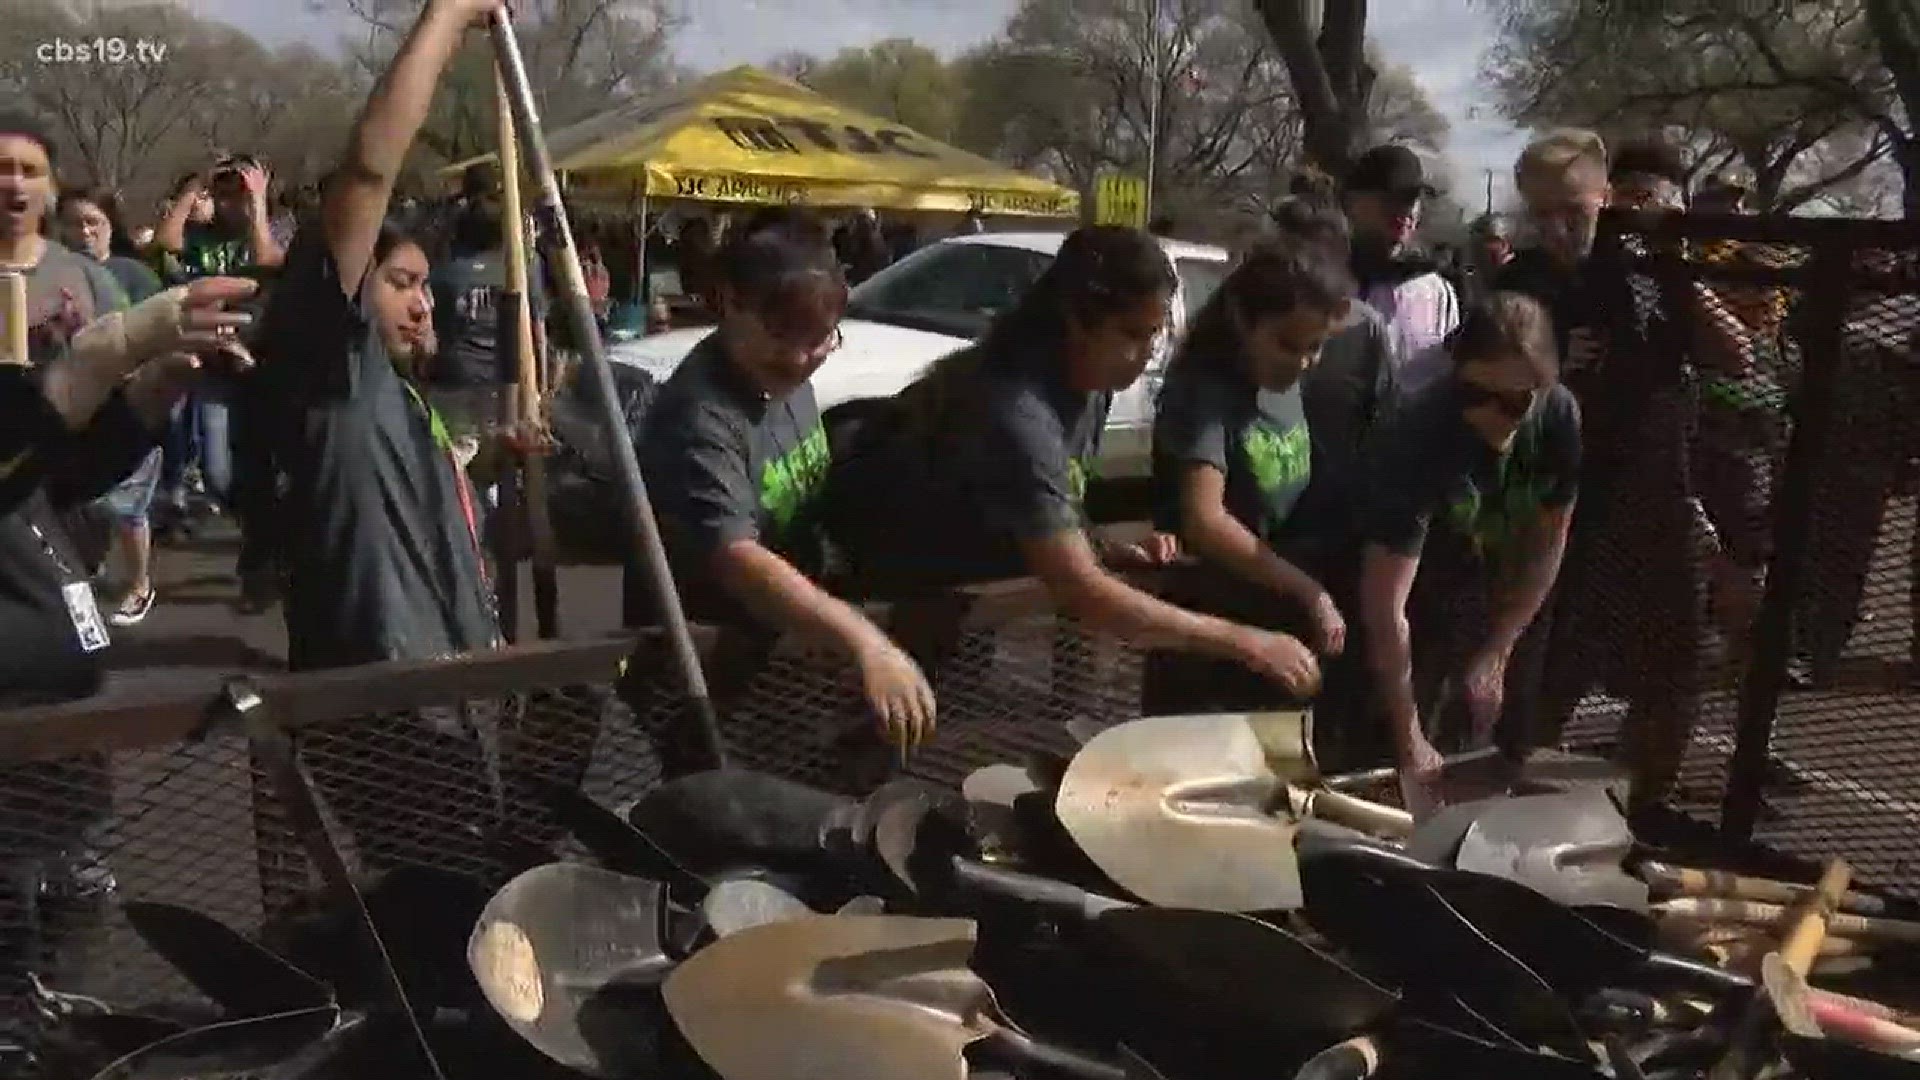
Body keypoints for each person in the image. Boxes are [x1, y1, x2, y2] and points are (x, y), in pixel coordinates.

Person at [827, 226, 1322, 700]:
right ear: (1073, 320)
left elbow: (1051, 494)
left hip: (962, 598)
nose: (1145, 353)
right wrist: (1248, 643)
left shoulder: (1091, 383)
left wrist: (1096, 543)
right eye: (1132, 334)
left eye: (1155, 335)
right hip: (877, 602)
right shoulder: (1014, 411)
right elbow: (1082, 591)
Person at [0, 276, 259, 1033]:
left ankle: (41, 1029)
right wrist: (112, 347)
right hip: (10, 738)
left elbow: (73, 466)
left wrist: (162, 381)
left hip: (63, 733)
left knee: (69, 915)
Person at [634, 207, 934, 771]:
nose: (801, 360)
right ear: (729, 303)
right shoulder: (700, 416)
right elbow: (737, 557)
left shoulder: (782, 379)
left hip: (784, 662)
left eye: (821, 340)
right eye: (781, 337)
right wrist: (863, 641)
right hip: (706, 676)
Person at [1359, 293, 1579, 809]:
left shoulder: (1560, 416)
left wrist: (1498, 650)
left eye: (1515, 401)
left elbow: (1548, 539)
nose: (1491, 414)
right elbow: (1385, 605)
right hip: (1420, 596)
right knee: (1408, 762)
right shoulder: (1418, 433)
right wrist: (1408, 733)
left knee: (1495, 746)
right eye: (1475, 393)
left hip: (1504, 589)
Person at [1144, 238, 1359, 726]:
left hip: (1281, 632)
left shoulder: (1290, 388)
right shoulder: (1204, 394)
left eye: (1316, 347)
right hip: (1211, 636)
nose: (1303, 362)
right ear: (1243, 321)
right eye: (1287, 343)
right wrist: (1309, 591)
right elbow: (1205, 520)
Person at [58, 188, 169, 625]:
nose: (84, 233)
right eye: (74, 224)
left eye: (94, 223)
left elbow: (163, 336)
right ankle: (79, 604)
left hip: (129, 408)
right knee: (69, 513)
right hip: (70, 410)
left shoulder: (134, 275)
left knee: (128, 505)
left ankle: (140, 583)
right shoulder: (49, 273)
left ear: (110, 226)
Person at [426, 163, 548, 435]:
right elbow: (537, 327)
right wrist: (540, 382)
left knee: (456, 457)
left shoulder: (444, 274)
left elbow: (434, 332)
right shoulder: (524, 267)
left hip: (455, 379)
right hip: (506, 384)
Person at [1341, 143, 1461, 395]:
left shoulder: (1438, 291)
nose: (1406, 209)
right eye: (1390, 199)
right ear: (1352, 204)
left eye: (1413, 199)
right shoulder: (1323, 285)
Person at [1462, 213, 1512, 307]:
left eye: (1494, 240)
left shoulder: (1514, 267)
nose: (1490, 246)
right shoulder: (1472, 257)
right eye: (1489, 241)